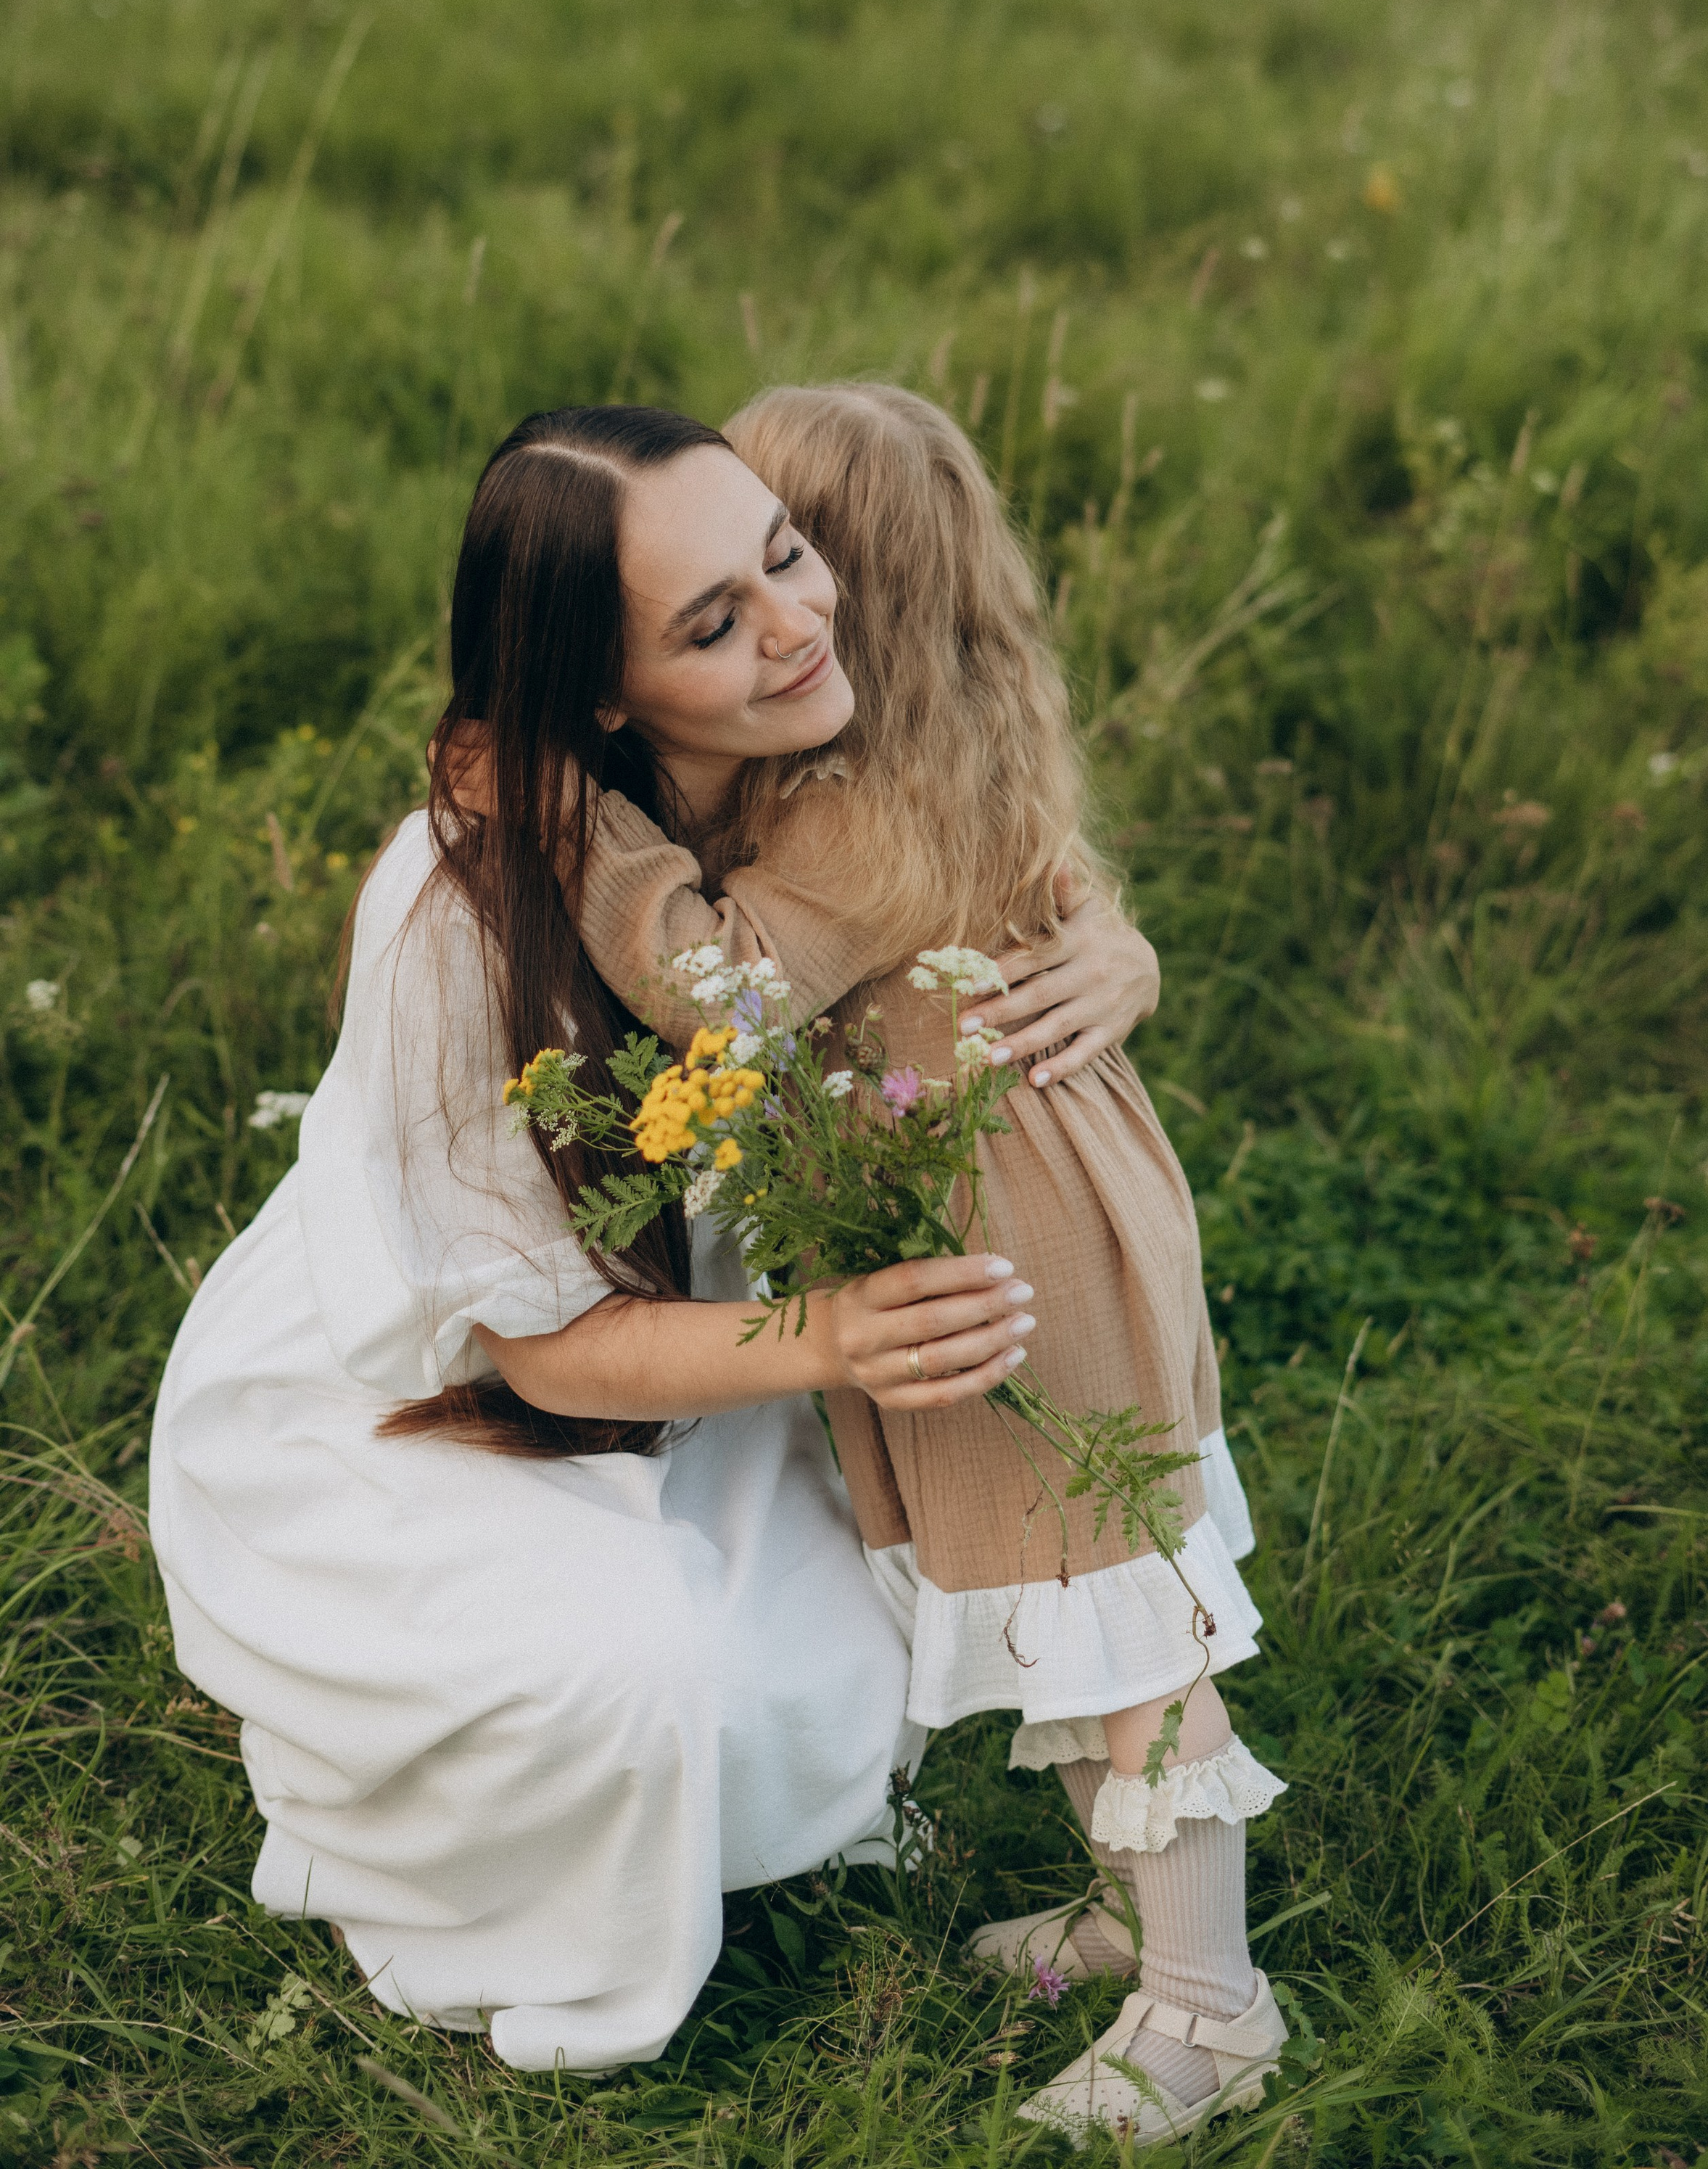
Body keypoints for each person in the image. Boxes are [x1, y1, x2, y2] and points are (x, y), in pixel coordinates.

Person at [148, 402, 1159, 2075]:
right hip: (440, 1395)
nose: (798, 619)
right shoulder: (456, 906)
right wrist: (832, 1341)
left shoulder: (813, 763)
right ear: (602, 693)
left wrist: (1114, 939)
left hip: (700, 1355)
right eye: (714, 623)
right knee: (632, 1683)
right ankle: (416, 1835)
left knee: (868, 1646)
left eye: (784, 550)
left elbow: (997, 836)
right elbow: (532, 1343)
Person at [558, 385, 1287, 2143]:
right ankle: (1128, 1922)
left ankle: (1213, 2006)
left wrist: (577, 832)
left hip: (1007, 1236)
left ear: (843, 593)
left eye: (781, 556)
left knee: (1120, 1630)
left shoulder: (850, 816)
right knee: (1079, 1586)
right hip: (1059, 1199)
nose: (766, 604)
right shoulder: (951, 742)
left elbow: (710, 989)